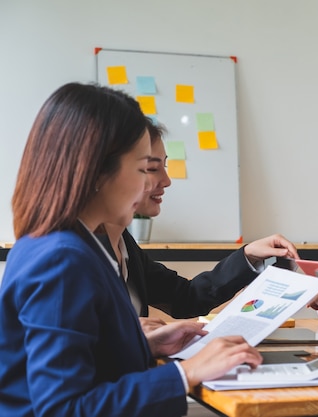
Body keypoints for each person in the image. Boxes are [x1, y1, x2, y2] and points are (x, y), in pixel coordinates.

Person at [0, 83, 262, 417]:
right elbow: (62, 409)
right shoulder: (62, 260)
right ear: (96, 170)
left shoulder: (66, 244)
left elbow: (81, 362)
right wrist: (186, 373)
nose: (148, 185)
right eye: (143, 169)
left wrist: (143, 344)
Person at [101, 119, 299, 320]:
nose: (167, 181)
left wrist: (247, 256)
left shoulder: (125, 245)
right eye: (152, 168)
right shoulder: (77, 252)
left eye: (165, 165)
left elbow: (186, 298)